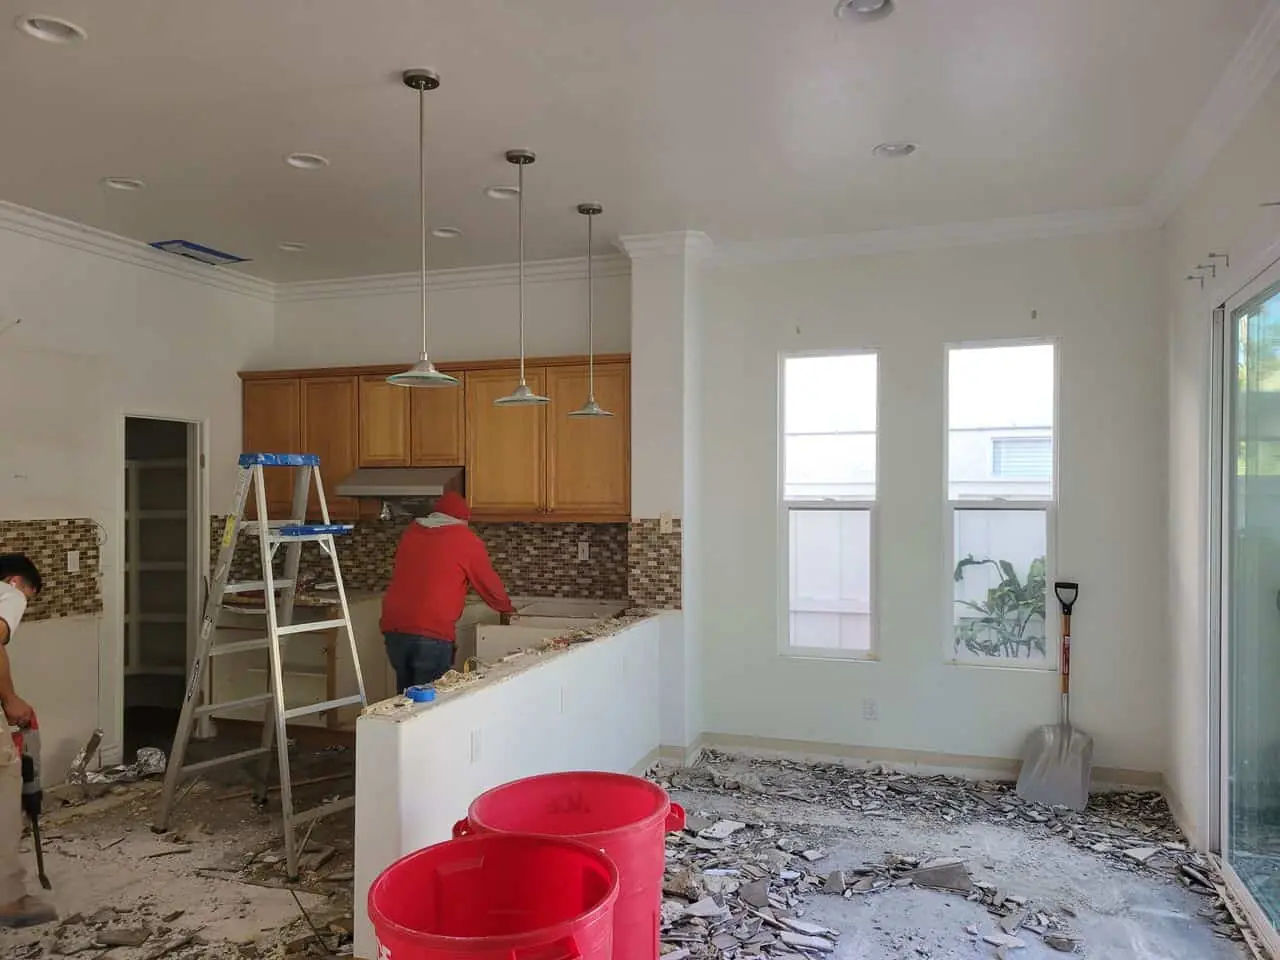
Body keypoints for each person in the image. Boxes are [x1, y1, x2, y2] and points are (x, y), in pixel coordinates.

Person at [380, 492, 514, 693]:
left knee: (406, 699)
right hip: (431, 630)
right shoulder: (465, 539)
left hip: (395, 628)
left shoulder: (411, 533)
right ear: (463, 520)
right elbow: (488, 585)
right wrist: (507, 609)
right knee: (431, 701)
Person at [0, 553, 55, 928]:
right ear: (18, 581)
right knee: (4, 795)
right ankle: (8, 900)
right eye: (29, 597)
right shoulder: (8, 592)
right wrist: (9, 699)